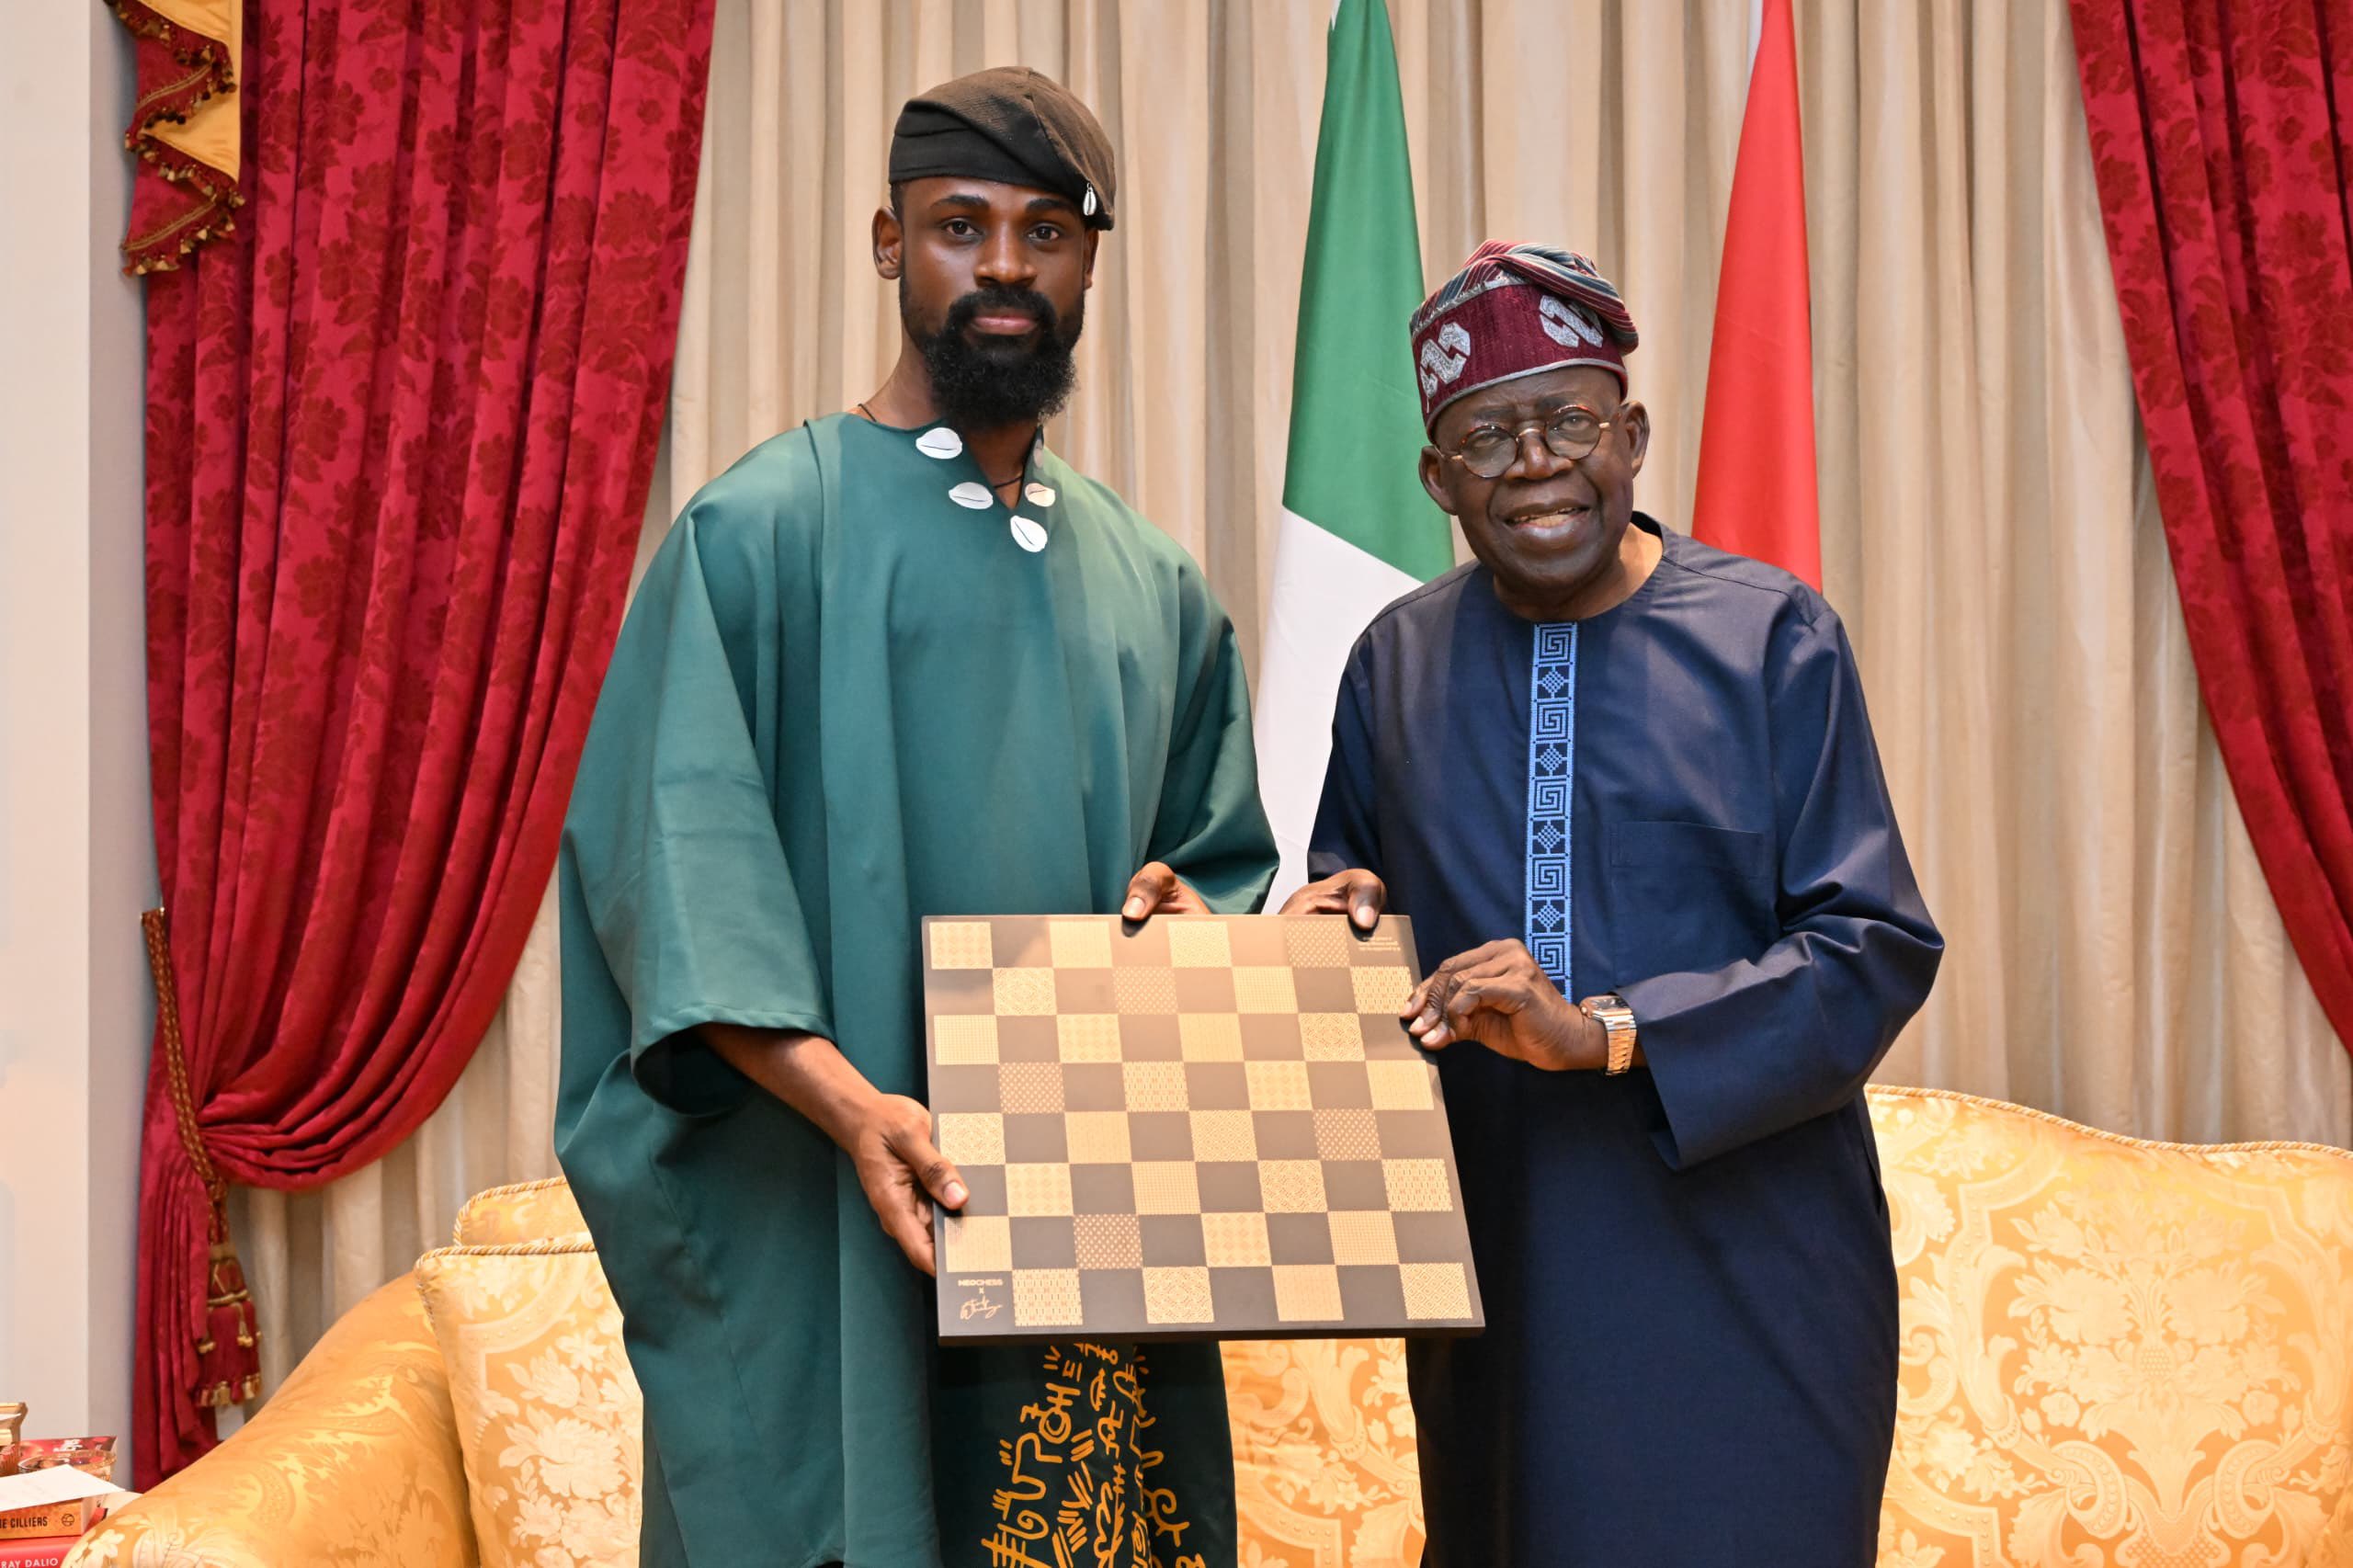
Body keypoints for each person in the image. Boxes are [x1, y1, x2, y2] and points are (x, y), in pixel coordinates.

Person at [556, 66, 1274, 1568]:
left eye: (1046, 232)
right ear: (891, 245)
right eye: (961, 225)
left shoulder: (1159, 588)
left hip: (1088, 1252)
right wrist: (856, 1109)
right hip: (825, 1223)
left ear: (1087, 263)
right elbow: (680, 887)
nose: (1004, 266)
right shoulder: (758, 534)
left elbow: (1215, 871)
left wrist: (1198, 927)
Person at [1285, 241, 1942, 1565]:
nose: (1534, 461)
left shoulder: (1774, 637)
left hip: (1752, 1280)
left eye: (1570, 420)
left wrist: (1613, 1031)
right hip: (1503, 1288)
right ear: (1437, 477)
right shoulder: (1392, 665)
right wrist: (1322, 927)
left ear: (1632, 435)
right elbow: (1352, 909)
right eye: (1487, 436)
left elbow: (1870, 947)